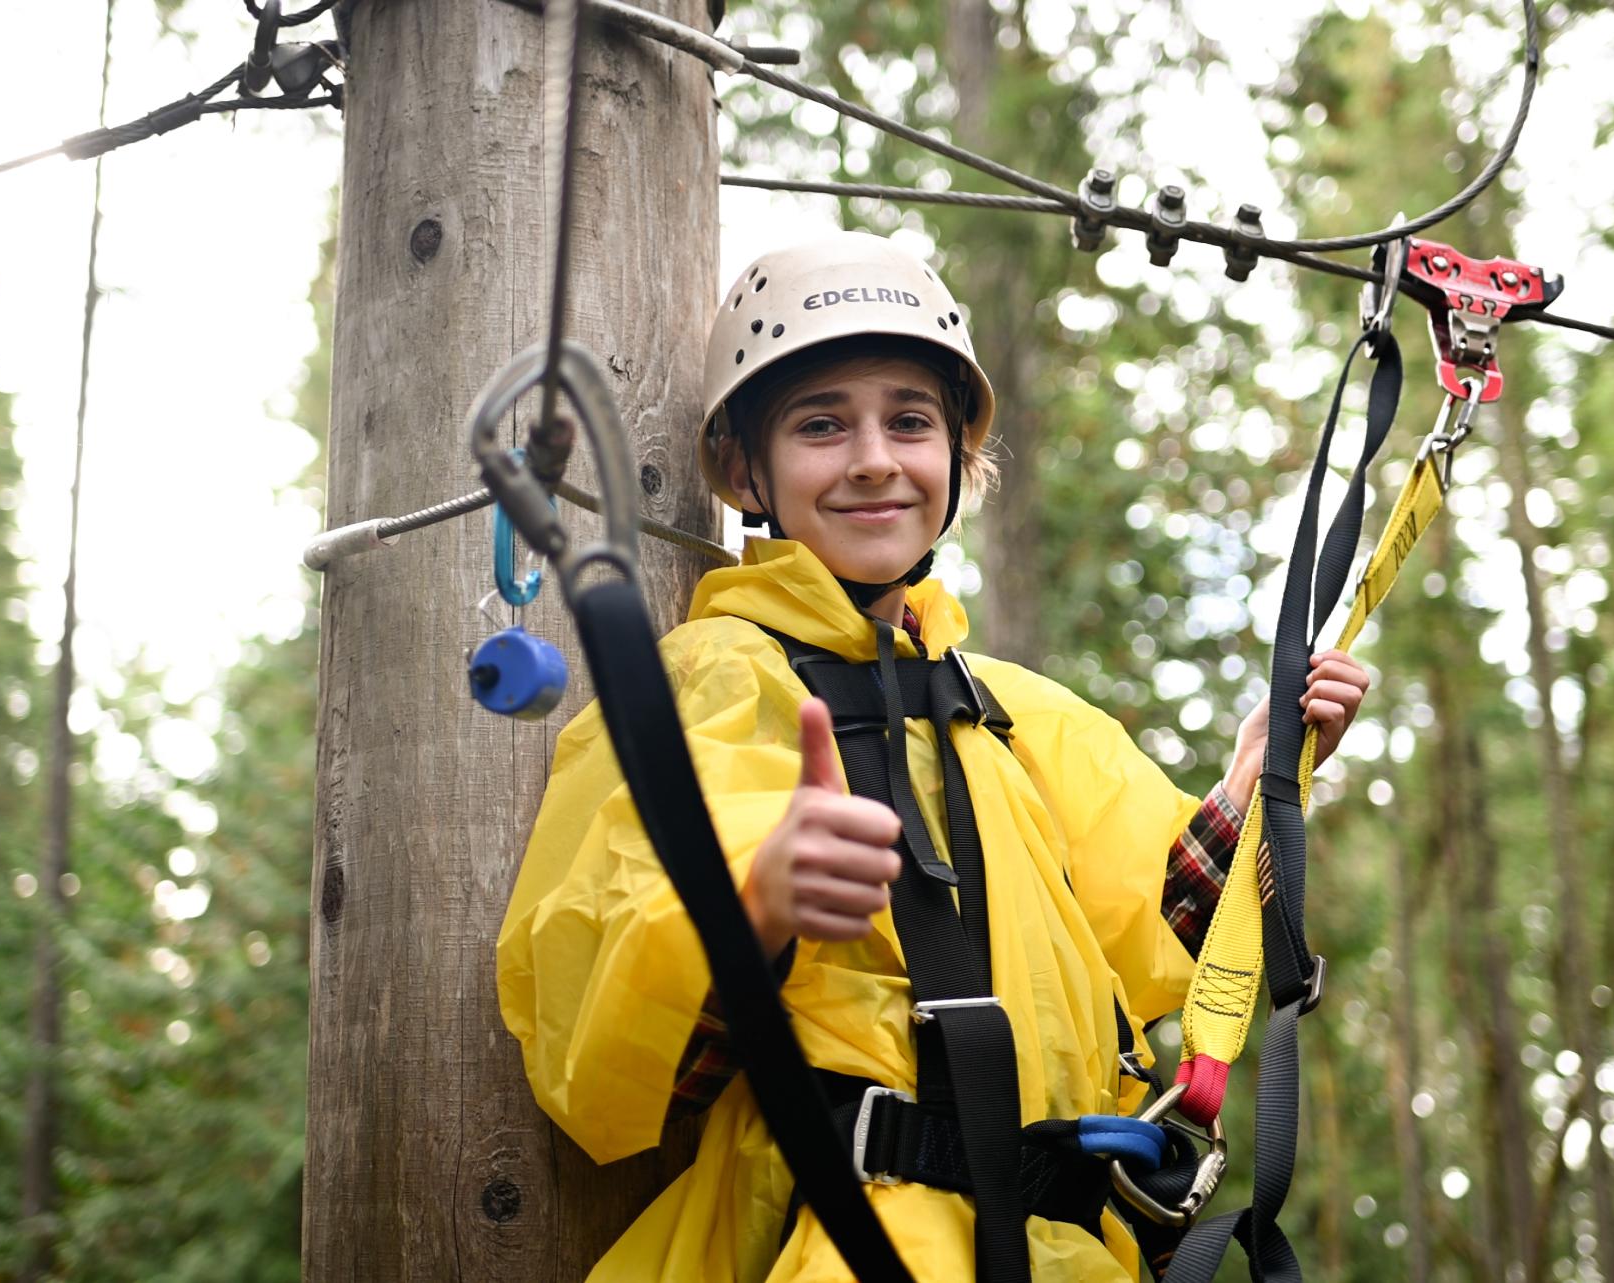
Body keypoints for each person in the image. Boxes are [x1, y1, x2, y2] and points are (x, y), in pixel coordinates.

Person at [497, 231, 1369, 1281]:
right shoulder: (717, 679)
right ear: (741, 466)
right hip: (848, 1244)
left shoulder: (1014, 714)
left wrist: (1257, 779)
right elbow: (613, 1045)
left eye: (909, 420)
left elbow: (1153, 938)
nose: (873, 457)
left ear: (958, 455)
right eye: (822, 424)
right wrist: (756, 905)